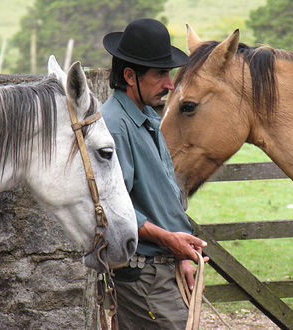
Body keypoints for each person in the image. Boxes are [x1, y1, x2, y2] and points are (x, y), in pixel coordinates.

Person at [101, 18, 207, 329]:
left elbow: (162, 200)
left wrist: (181, 257)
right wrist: (168, 240)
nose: (170, 84)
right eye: (161, 74)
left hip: (161, 270)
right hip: (144, 278)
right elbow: (113, 209)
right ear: (130, 76)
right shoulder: (114, 126)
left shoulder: (145, 115)